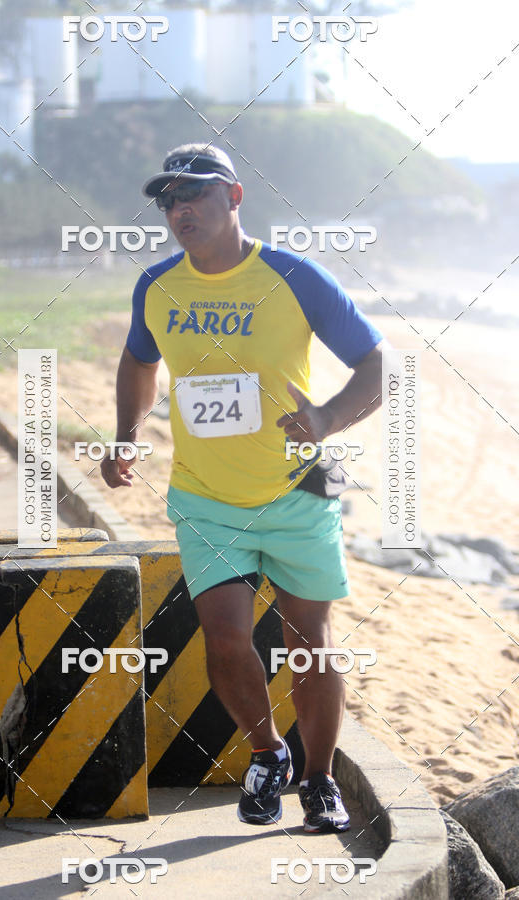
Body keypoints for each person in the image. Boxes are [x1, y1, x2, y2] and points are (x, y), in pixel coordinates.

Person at [101, 143, 385, 833]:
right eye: (167, 199)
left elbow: (378, 365)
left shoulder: (295, 277)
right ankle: (267, 753)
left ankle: (318, 783)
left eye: (193, 193)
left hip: (298, 490)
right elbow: (139, 361)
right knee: (225, 639)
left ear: (232, 198)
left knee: (309, 640)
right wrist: (125, 433)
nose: (178, 209)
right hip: (206, 495)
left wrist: (325, 418)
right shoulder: (158, 287)